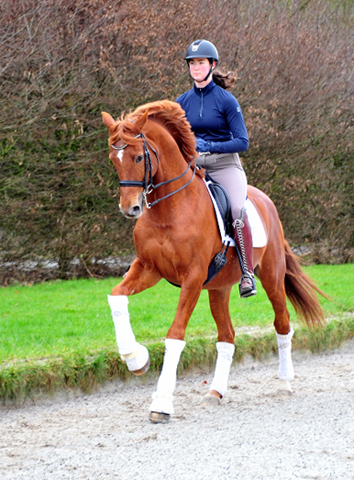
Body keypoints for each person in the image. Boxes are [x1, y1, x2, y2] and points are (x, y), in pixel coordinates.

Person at [176, 39, 256, 298]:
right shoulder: (181, 102)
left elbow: (242, 141)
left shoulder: (227, 101)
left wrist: (209, 144)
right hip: (194, 167)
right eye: (192, 63)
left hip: (224, 166)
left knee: (235, 208)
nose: (195, 67)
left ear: (212, 65)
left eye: (200, 62)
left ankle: (247, 274)